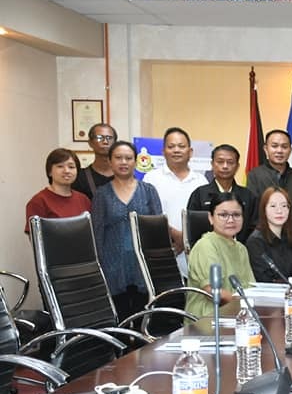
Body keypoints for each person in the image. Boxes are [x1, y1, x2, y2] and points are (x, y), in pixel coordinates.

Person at [91, 140, 163, 321]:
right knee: (119, 319)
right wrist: (99, 267)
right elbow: (97, 232)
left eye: (128, 158)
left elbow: (157, 230)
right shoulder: (101, 194)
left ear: (135, 161)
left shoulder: (149, 191)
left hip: (142, 266)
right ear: (110, 161)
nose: (123, 162)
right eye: (118, 158)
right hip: (113, 267)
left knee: (143, 318)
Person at [141, 127, 208, 275]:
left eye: (181, 146)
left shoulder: (201, 181)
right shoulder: (151, 179)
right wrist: (174, 234)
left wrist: (186, 238)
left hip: (194, 251)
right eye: (171, 146)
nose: (176, 150)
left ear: (190, 152)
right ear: (163, 151)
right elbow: (148, 214)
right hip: (162, 249)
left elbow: (204, 217)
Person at [184, 192, 255, 319]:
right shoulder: (206, 246)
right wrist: (246, 306)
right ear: (211, 218)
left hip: (238, 315)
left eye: (236, 215)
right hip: (207, 319)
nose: (231, 220)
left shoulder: (241, 249)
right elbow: (214, 292)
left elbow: (250, 288)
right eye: (223, 215)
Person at [186, 144, 257, 242]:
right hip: (208, 249)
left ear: (237, 166)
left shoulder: (248, 196)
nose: (225, 166)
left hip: (240, 249)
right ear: (212, 164)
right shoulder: (199, 194)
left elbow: (253, 229)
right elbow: (192, 229)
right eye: (220, 162)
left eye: (230, 162)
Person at [245, 129, 292, 212]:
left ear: (290, 150)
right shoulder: (255, 175)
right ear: (266, 149)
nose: (279, 151)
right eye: (274, 146)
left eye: (284, 147)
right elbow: (252, 209)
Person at [244, 187, 292, 282]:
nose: (279, 211)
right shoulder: (255, 242)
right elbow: (263, 278)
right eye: (273, 206)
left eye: (284, 206)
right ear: (264, 209)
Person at [25, 148, 91, 232]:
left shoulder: (83, 200)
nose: (66, 171)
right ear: (50, 171)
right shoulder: (38, 202)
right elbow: (36, 237)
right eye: (60, 166)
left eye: (71, 167)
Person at [72, 122, 117, 198]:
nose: (105, 142)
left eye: (109, 138)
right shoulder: (80, 177)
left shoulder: (125, 175)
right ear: (90, 143)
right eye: (99, 138)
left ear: (115, 143)